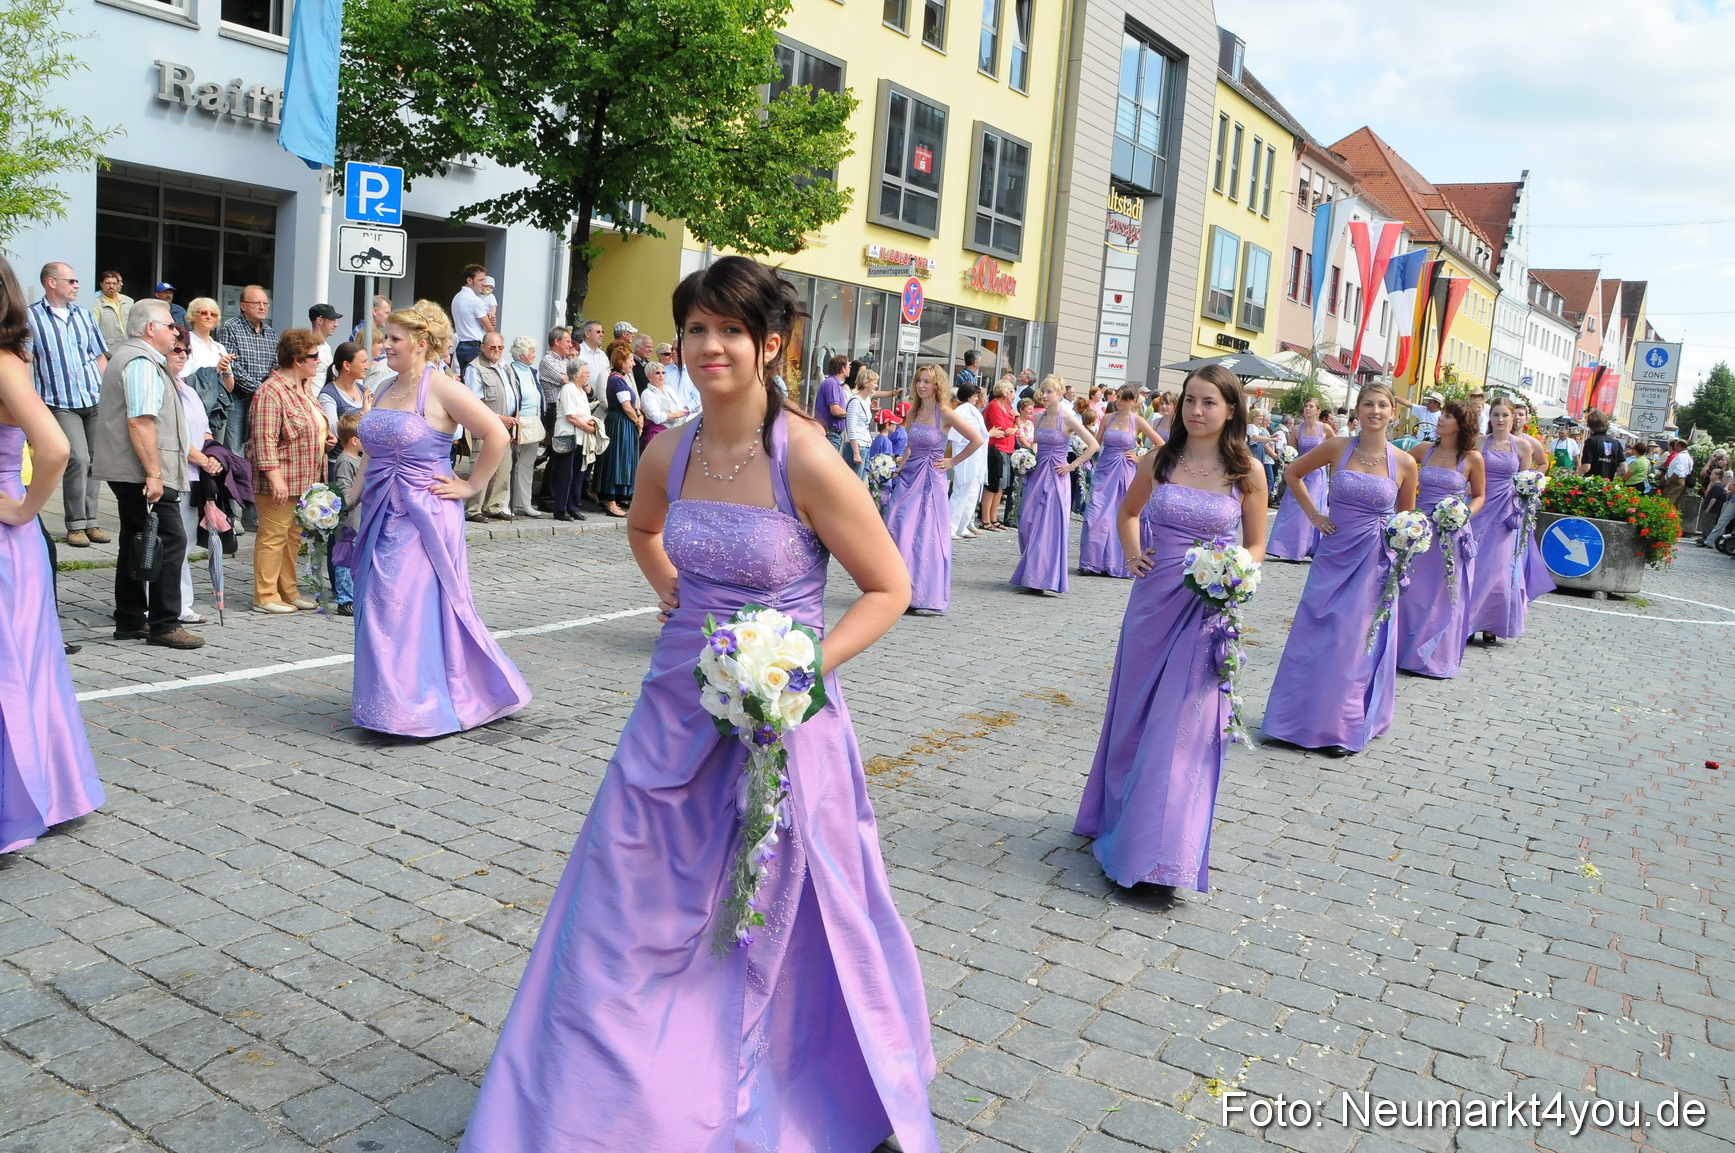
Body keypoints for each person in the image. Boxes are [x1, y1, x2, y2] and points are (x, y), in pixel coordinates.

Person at [459, 255, 937, 1153]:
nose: (710, 345)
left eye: (729, 330)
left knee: (773, 914)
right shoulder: (673, 447)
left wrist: (795, 673)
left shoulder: (811, 460)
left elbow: (887, 588)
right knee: (623, 900)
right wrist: (675, 593)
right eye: (695, 329)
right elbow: (644, 529)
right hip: (671, 712)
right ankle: (602, 1100)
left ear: (770, 346)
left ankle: (790, 1086)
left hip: (781, 725)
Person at [1073, 365, 1267, 898]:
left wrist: (1235, 574)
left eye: (1208, 402)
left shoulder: (1247, 470)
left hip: (1207, 614)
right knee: (1134, 714)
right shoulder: (1160, 460)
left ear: (1231, 410)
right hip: (1153, 602)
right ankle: (1117, 816)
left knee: (1183, 730)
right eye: (1189, 401)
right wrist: (1135, 555)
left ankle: (1158, 853)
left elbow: (1257, 546)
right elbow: (1129, 512)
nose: (1195, 411)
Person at [348, 299, 530, 735]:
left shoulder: (443, 387)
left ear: (421, 343)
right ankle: (386, 701)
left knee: (395, 606)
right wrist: (345, 499)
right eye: (386, 337)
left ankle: (415, 704)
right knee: (373, 601)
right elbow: (372, 455)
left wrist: (469, 487)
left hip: (424, 516)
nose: (385, 345)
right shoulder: (387, 386)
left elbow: (497, 433)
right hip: (379, 512)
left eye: (394, 339)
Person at [0, 254, 105, 852]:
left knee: (17, 669)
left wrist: (20, 509)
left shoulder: (6, 363)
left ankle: (33, 794)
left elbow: (57, 447)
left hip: (5, 539)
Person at [1262, 382, 1419, 756]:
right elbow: (1293, 474)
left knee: (1352, 642)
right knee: (1315, 632)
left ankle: (1338, 726)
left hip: (1374, 562)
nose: (1375, 411)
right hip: (1334, 554)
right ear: (1358, 409)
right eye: (1368, 404)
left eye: (1382, 405)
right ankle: (1293, 720)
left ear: (1392, 413)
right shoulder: (1337, 447)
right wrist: (1314, 515)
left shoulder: (1406, 462)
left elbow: (1408, 517)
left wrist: (1402, 548)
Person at [89, 299, 205, 647]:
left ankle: (130, 618)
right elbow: (140, 421)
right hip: (144, 471)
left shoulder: (135, 358)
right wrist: (154, 473)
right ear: (150, 329)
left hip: (132, 470)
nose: (175, 330)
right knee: (170, 541)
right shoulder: (141, 361)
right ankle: (164, 624)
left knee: (135, 539)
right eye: (170, 325)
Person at [882, 363, 983, 613]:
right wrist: (897, 466)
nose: (921, 385)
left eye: (927, 381)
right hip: (908, 476)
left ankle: (921, 592)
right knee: (896, 524)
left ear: (937, 385)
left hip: (930, 479)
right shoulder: (913, 412)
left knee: (924, 534)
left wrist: (952, 461)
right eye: (919, 380)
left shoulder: (945, 413)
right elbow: (909, 446)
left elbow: (978, 439)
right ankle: (897, 588)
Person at [1395, 402, 1484, 679]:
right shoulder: (1424, 450)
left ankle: (1433, 658)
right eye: (1442, 415)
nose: (1441, 420)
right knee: (1413, 592)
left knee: (1442, 596)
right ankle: (1402, 651)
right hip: (1420, 531)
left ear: (1462, 423)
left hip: (1450, 535)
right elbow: (1396, 470)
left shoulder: (1472, 459)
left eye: (1448, 416)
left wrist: (1463, 513)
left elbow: (1480, 495)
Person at [27, 263, 110, 547]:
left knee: (96, 461)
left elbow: (99, 356)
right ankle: (75, 524)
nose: (77, 285)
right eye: (71, 281)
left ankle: (91, 521)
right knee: (77, 458)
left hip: (93, 398)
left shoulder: (85, 316)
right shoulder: (31, 317)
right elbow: (25, 359)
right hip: (60, 401)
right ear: (52, 282)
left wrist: (108, 391)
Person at [249, 329, 330, 614]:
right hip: (281, 479)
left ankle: (288, 590)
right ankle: (265, 594)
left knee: (293, 537)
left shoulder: (304, 387)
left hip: (306, 479)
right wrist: (275, 479)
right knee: (273, 536)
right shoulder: (271, 391)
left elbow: (309, 424)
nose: (319, 361)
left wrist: (325, 437)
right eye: (313, 356)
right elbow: (264, 439)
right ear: (297, 359)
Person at [1463, 396, 1550, 644]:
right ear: (1489, 418)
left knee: (1500, 568)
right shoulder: (1479, 443)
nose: (1500, 420)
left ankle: (1493, 622)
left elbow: (1526, 477)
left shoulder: (1522, 447)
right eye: (1495, 415)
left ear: (1514, 418)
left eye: (1505, 415)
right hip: (1482, 505)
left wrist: (1528, 488)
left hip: (1506, 510)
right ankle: (1469, 620)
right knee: (1476, 563)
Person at [1009, 375, 1099, 595]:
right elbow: (1036, 445)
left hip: (1057, 477)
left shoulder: (1067, 418)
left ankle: (1041, 576)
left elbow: (1093, 444)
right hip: (1037, 474)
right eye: (1044, 391)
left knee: (1048, 526)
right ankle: (1032, 568)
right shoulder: (1038, 418)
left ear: (1060, 394)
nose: (1045, 395)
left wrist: (1072, 465)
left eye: (1050, 392)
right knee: (1027, 522)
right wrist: (1027, 458)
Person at [163, 325, 223, 624]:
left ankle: (181, 603)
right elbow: (170, 434)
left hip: (194, 476)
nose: (183, 355)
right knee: (170, 543)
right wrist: (202, 458)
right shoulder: (163, 386)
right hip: (172, 473)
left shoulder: (187, 389)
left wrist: (212, 456)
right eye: (177, 350)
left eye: (186, 350)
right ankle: (167, 604)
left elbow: (205, 430)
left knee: (184, 544)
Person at [1078, 385, 1163, 576]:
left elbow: (1160, 443)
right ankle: (1091, 561)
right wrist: (1081, 454)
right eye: (1117, 397)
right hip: (1105, 470)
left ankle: (1115, 562)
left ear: (1133, 401)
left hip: (1125, 472)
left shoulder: (1138, 421)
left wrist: (1141, 458)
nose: (1119, 401)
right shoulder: (1108, 418)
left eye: (1123, 399)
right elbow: (1096, 443)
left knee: (1119, 514)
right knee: (1095, 514)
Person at [216, 286, 278, 527]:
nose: (263, 307)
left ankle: (253, 514)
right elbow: (233, 368)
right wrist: (260, 389)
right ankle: (233, 513)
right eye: (257, 303)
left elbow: (275, 366)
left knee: (258, 456)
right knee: (235, 455)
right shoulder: (230, 329)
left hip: (262, 402)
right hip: (238, 400)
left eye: (265, 304)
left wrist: (265, 392)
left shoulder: (271, 333)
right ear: (243, 305)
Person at [1265, 396, 1335, 562]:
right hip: (1301, 472)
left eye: (1311, 406)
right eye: (1306, 406)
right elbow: (1292, 450)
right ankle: (1288, 547)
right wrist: (1289, 460)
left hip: (1317, 473)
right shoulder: (1297, 429)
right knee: (1293, 508)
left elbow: (1336, 448)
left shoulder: (1324, 428)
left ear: (1318, 410)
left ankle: (1309, 547)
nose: (1307, 409)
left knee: (1310, 507)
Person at [463, 333, 517, 521]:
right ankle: (473, 509)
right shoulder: (475, 368)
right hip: (484, 427)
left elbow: (512, 394)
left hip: (505, 427)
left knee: (503, 468)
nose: (496, 351)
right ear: (483, 347)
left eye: (500, 347)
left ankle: (493, 506)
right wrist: (500, 417)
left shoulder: (505, 366)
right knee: (481, 466)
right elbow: (473, 403)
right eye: (492, 347)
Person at [182, 297, 239, 450]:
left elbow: (230, 387)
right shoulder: (186, 343)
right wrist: (215, 371)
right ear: (192, 316)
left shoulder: (219, 348)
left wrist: (226, 370)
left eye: (213, 314)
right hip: (193, 408)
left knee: (215, 454)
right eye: (203, 313)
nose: (209, 317)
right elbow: (181, 381)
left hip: (216, 411)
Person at [595, 340, 643, 517]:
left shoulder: (622, 379)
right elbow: (626, 406)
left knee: (623, 459)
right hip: (620, 423)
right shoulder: (616, 380)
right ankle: (611, 500)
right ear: (621, 361)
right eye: (630, 359)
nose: (633, 363)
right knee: (616, 459)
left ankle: (617, 498)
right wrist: (637, 420)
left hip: (624, 422)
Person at [549, 358, 599, 521]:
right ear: (576, 375)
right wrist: (589, 428)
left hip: (580, 438)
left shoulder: (581, 391)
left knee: (578, 473)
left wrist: (591, 423)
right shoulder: (569, 389)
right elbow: (571, 416)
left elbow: (584, 415)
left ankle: (573, 507)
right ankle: (560, 509)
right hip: (567, 437)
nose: (588, 376)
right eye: (586, 373)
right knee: (565, 474)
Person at [505, 336, 546, 517]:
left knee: (527, 464)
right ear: (521, 354)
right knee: (510, 464)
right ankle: (506, 502)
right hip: (518, 423)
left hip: (533, 423)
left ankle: (524, 503)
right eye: (532, 351)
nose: (534, 355)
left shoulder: (532, 372)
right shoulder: (510, 370)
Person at [328, 412, 364, 615]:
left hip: (358, 522)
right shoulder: (345, 461)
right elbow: (344, 491)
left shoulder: (358, 459)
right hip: (348, 524)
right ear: (354, 440)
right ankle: (344, 600)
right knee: (345, 563)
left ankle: (354, 595)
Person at [948, 381, 990, 538]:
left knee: (971, 492)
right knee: (960, 492)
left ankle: (962, 525)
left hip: (975, 456)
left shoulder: (972, 411)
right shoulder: (963, 411)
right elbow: (958, 436)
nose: (976, 398)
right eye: (974, 395)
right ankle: (951, 527)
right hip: (966, 455)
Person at [318, 342, 371, 456]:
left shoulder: (362, 390)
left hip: (360, 462)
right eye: (363, 362)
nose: (367, 366)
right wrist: (362, 413)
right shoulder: (329, 394)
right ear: (347, 365)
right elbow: (331, 430)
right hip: (340, 464)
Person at [980, 379, 1017, 531]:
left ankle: (994, 517)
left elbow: (1014, 425)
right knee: (993, 485)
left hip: (1007, 448)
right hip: (996, 448)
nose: (1013, 395)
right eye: (1011, 391)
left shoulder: (1007, 407)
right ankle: (985, 519)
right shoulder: (995, 406)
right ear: (1004, 392)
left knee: (1001, 486)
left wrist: (1014, 423)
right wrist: (1015, 425)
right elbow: (1003, 430)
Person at [450, 264, 496, 374]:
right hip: (474, 346)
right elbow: (490, 329)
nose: (484, 283)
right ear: (469, 280)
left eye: (484, 279)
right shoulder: (475, 300)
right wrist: (492, 322)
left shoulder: (457, 297)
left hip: (460, 345)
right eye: (480, 280)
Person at [637, 358, 689, 446]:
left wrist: (684, 414)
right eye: (657, 373)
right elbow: (656, 418)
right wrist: (677, 414)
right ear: (649, 376)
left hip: (676, 432)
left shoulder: (669, 389)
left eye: (663, 373)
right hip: (658, 434)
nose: (661, 376)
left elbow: (680, 408)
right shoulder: (647, 394)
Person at [843, 368, 877, 477]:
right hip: (858, 446)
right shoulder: (855, 402)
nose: (876, 386)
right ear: (866, 383)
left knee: (861, 482)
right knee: (854, 483)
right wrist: (856, 453)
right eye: (874, 383)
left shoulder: (866, 401)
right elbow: (851, 427)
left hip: (865, 444)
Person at [815, 353, 850, 452]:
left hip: (832, 434)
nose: (850, 368)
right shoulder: (832, 383)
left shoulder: (834, 384)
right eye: (848, 366)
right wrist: (852, 413)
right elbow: (835, 410)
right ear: (842, 369)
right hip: (830, 433)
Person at [93, 270, 133, 352]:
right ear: (101, 284)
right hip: (109, 353)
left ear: (118, 285)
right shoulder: (95, 304)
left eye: (114, 283)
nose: (111, 286)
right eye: (108, 283)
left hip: (129, 350)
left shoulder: (129, 301)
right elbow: (94, 330)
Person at [1576, 409, 1622, 479]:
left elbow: (1586, 467)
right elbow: (1624, 469)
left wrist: (1574, 474)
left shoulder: (1591, 441)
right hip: (1608, 486)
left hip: (1592, 483)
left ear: (1590, 424)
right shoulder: (1616, 443)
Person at [1660, 438, 1694, 511]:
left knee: (1667, 502)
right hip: (1682, 480)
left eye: (1675, 445)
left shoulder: (1681, 456)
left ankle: (1665, 518)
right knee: (1675, 504)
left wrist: (1669, 480)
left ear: (1679, 446)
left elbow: (1678, 471)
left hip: (1675, 481)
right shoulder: (1688, 456)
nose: (1674, 447)